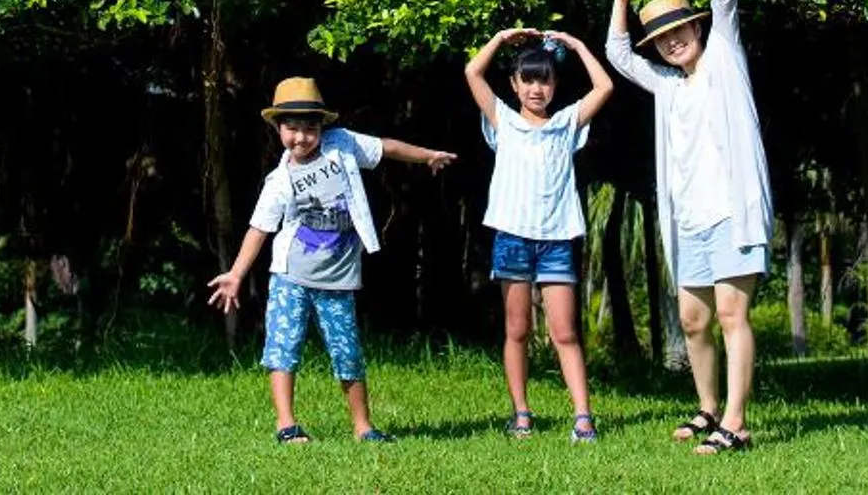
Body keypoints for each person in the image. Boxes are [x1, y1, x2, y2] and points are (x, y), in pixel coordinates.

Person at [206, 74, 454, 444]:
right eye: (292, 128)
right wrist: (237, 274)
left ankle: (363, 427)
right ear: (278, 128)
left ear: (323, 126)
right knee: (283, 347)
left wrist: (427, 156)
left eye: (310, 128)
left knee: (347, 352)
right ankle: (286, 424)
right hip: (290, 276)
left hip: (338, 279)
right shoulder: (279, 180)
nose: (301, 137)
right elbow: (259, 229)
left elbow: (385, 147)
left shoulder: (342, 145)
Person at [607, 0, 774, 454]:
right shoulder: (667, 86)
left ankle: (735, 423)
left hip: (733, 214)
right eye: (661, 38)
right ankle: (708, 408)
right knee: (692, 321)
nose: (672, 41)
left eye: (679, 30)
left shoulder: (725, 57)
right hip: (690, 221)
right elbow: (617, 53)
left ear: (697, 28)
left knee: (730, 315)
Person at [463, 25, 617, 440]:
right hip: (512, 237)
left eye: (544, 80)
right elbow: (472, 73)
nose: (536, 88)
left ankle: (583, 417)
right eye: (527, 80)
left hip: (557, 240)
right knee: (517, 330)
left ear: (554, 85)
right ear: (514, 85)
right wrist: (500, 39)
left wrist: (577, 45)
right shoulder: (504, 121)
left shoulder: (566, 123)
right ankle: (521, 414)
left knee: (564, 332)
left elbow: (604, 86)